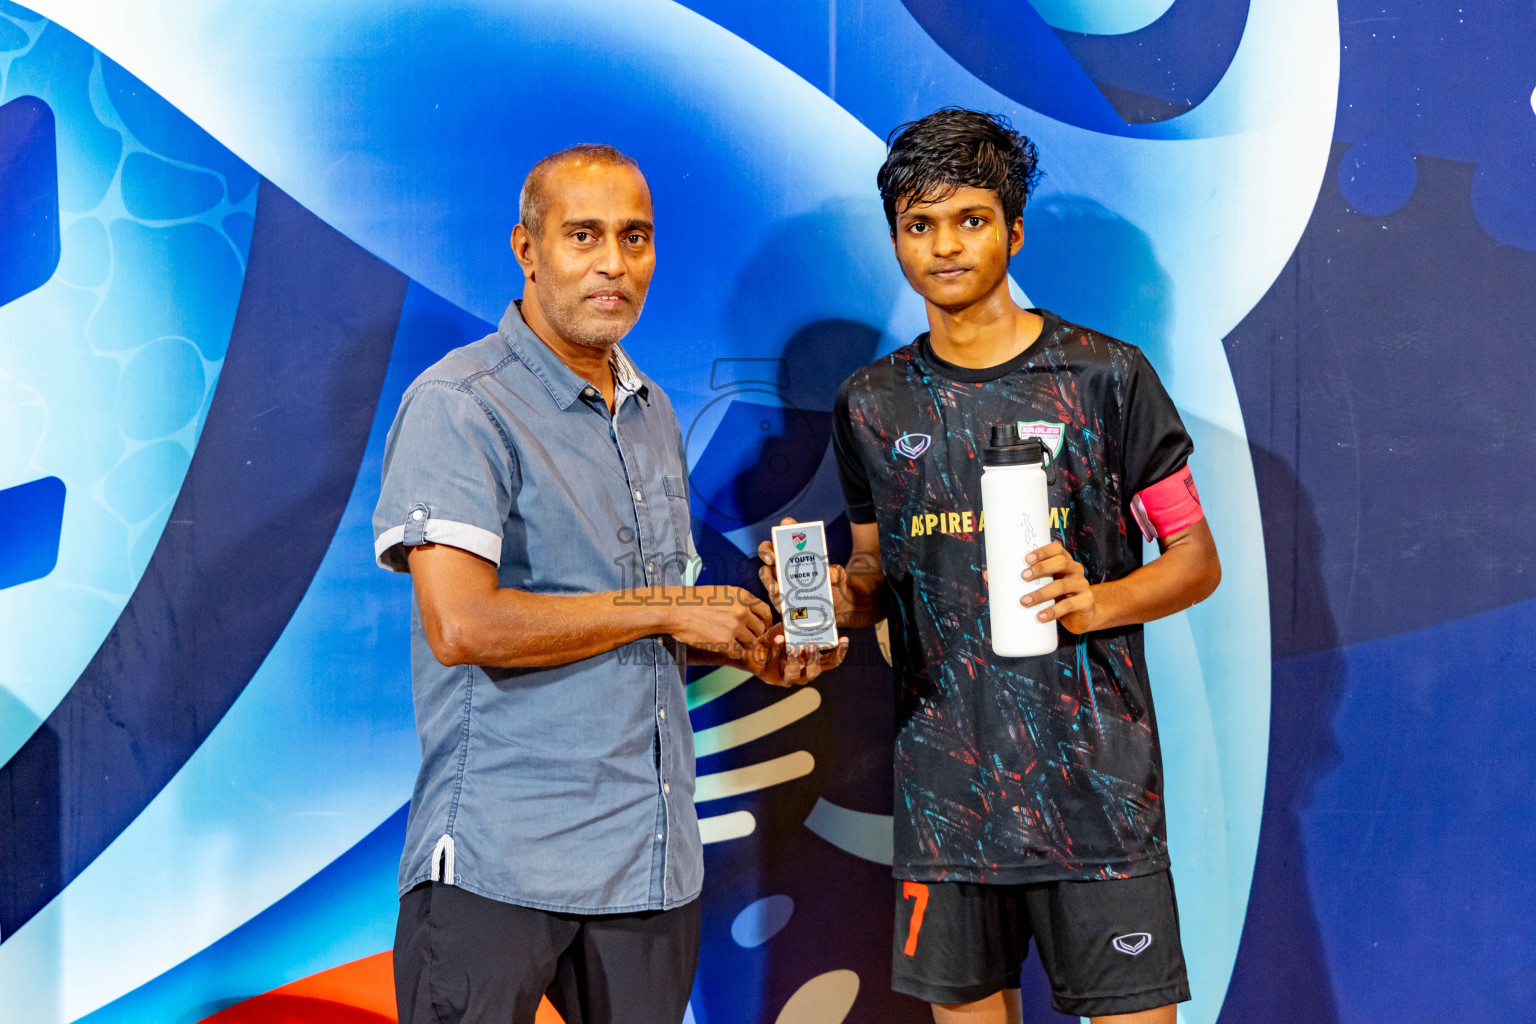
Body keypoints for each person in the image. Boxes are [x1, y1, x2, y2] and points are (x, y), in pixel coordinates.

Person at [760, 109, 1221, 1023]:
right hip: (948, 803)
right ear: (895, 238)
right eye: (919, 225)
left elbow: (1196, 559)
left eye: (970, 220)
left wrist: (1099, 600)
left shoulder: (1106, 377)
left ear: (1012, 230)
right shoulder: (873, 403)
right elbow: (871, 571)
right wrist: (815, 600)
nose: (944, 247)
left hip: (1099, 794)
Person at [373, 144, 846, 1024]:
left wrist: (753, 650)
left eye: (635, 239)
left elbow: (642, 628)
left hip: (648, 865)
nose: (613, 265)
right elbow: (462, 626)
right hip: (497, 863)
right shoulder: (461, 403)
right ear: (527, 248)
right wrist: (667, 607)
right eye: (582, 236)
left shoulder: (654, 410)